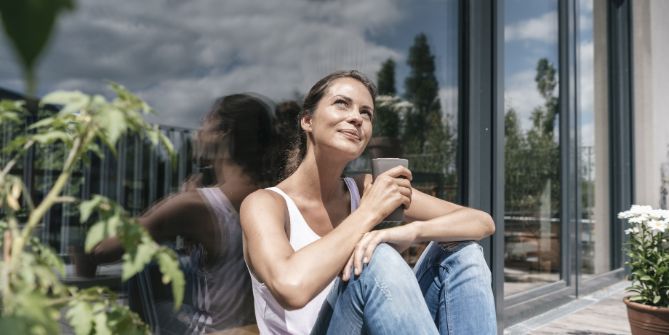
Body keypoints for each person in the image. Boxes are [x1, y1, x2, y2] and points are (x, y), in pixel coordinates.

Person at [240, 70, 497, 334]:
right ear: (307, 120)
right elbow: (291, 288)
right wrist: (369, 213)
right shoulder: (265, 204)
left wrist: (412, 230)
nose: (356, 118)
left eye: (366, 113)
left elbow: (482, 222)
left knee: (462, 253)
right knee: (378, 256)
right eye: (342, 103)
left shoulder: (364, 187)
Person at [91, 93, 286, 334]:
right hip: (258, 329)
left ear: (222, 132)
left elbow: (103, 251)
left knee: (146, 266)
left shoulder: (196, 206)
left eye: (205, 121)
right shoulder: (274, 198)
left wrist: (175, 206)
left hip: (212, 331)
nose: (198, 131)